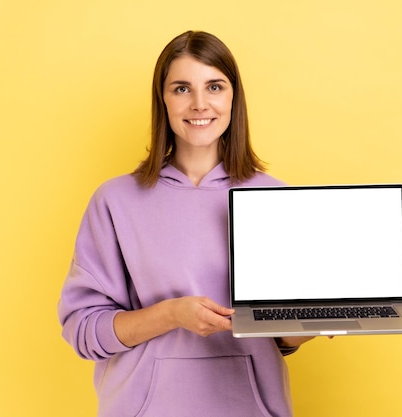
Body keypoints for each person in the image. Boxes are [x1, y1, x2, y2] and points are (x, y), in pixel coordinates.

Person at [58, 30, 315, 417]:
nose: (199, 104)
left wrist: (313, 321)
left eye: (214, 86)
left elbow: (280, 338)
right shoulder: (115, 200)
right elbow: (83, 331)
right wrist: (171, 314)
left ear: (233, 97)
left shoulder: (275, 197)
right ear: (162, 99)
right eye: (181, 88)